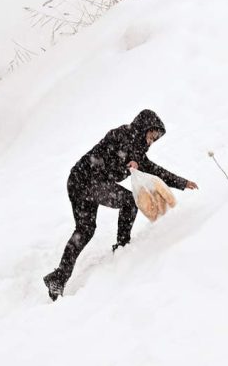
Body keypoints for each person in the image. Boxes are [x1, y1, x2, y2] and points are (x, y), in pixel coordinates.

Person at [43, 109, 198, 301]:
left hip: (83, 183)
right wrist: (128, 159)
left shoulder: (139, 154)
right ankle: (122, 246)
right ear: (143, 128)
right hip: (83, 180)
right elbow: (116, 145)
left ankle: (58, 278)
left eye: (155, 139)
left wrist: (182, 182)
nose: (151, 141)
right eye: (151, 135)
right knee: (129, 203)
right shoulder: (122, 134)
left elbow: (156, 171)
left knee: (85, 229)